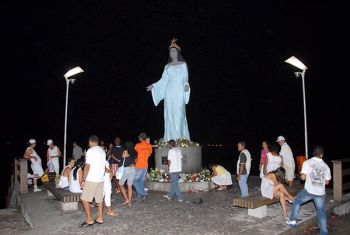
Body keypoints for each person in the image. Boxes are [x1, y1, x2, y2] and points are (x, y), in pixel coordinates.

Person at [146, 38, 191, 141]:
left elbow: (185, 77)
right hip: (169, 91)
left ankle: (180, 138)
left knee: (179, 113)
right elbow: (163, 80)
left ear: (177, 52)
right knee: (169, 113)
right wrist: (154, 86)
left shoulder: (183, 65)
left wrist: (186, 85)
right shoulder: (167, 66)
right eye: (170, 51)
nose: (172, 53)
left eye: (174, 51)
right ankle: (170, 138)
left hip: (179, 90)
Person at [287, 146, 331, 235]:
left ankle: (292, 221)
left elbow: (303, 178)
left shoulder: (307, 163)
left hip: (309, 191)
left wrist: (303, 174)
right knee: (321, 211)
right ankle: (324, 232)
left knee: (297, 201)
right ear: (322, 155)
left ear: (313, 153)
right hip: (320, 193)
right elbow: (327, 182)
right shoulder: (326, 167)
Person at [79, 135, 106, 227]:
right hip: (101, 179)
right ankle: (100, 218)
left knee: (84, 198)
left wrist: (83, 179)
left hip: (92, 178)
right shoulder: (102, 151)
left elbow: (87, 166)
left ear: (90, 142)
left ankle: (89, 220)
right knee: (99, 199)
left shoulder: (90, 151)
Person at [133, 132, 153, 201]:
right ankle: (140, 196)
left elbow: (135, 149)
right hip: (145, 166)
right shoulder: (149, 146)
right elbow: (149, 154)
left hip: (139, 166)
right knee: (141, 181)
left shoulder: (138, 145)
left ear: (140, 138)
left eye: (139, 137)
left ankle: (142, 193)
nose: (139, 138)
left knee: (134, 181)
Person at [119, 141, 137, 206]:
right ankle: (129, 202)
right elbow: (135, 162)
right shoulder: (135, 152)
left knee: (120, 184)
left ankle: (126, 199)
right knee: (129, 186)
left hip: (126, 169)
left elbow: (121, 161)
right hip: (133, 169)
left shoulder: (125, 151)